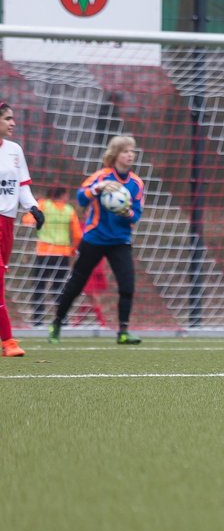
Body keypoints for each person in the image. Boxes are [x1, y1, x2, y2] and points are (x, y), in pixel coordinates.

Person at [49, 135, 145, 345]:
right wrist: (98, 189)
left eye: (132, 151)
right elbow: (81, 198)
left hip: (120, 240)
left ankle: (123, 331)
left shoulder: (136, 183)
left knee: (127, 285)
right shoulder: (101, 177)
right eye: (125, 151)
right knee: (76, 283)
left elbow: (136, 215)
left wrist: (126, 212)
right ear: (115, 155)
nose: (130, 155)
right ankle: (56, 323)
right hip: (94, 239)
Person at [0, 101, 46, 357]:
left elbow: (22, 187)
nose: (13, 123)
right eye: (7, 118)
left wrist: (34, 208)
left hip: (7, 224)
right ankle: (8, 341)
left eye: (13, 118)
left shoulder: (15, 150)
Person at [23, 186, 81, 327]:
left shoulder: (43, 204)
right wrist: (72, 250)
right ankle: (62, 318)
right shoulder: (69, 210)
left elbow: (27, 219)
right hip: (62, 255)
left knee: (39, 286)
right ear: (62, 195)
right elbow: (78, 235)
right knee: (59, 288)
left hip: (44, 253)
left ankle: (37, 319)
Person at [70, 256, 111, 329]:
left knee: (91, 298)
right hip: (88, 268)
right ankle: (102, 323)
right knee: (92, 296)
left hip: (98, 268)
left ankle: (78, 322)